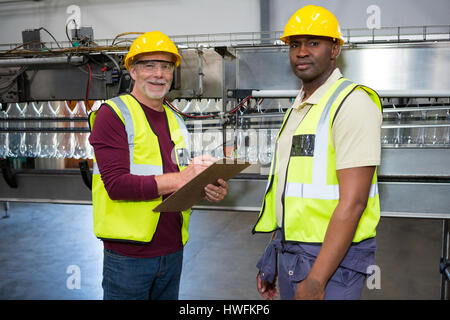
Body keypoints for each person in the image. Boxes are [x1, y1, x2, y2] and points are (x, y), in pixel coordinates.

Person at [253, 5, 382, 300]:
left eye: (314, 43)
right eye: (295, 44)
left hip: (332, 261)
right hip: (292, 254)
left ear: (334, 49)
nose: (301, 52)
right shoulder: (300, 108)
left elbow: (354, 203)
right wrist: (274, 255)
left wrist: (316, 280)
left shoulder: (353, 104)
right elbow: (289, 193)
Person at [88, 31, 228, 300]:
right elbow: (117, 186)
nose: (159, 74)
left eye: (166, 66)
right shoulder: (113, 114)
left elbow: (180, 177)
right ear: (132, 70)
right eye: (149, 65)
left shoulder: (175, 119)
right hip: (129, 255)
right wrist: (184, 178)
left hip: (173, 248)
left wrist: (206, 186)